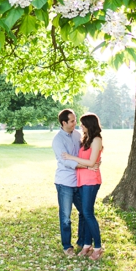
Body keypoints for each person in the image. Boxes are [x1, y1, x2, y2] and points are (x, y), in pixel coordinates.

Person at [62, 112, 104, 260]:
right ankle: (87, 245)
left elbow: (92, 162)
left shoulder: (96, 140)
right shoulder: (86, 139)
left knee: (87, 214)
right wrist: (84, 165)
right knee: (86, 214)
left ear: (89, 125)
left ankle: (98, 247)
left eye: (82, 124)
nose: (80, 126)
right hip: (82, 181)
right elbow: (89, 161)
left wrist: (71, 157)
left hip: (91, 181)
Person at [52, 108, 88, 257]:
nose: (75, 123)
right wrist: (86, 165)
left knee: (84, 213)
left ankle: (81, 241)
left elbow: (83, 153)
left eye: (75, 120)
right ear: (64, 122)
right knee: (66, 217)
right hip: (65, 182)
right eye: (72, 121)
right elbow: (65, 160)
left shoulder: (78, 135)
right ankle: (67, 246)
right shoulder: (58, 140)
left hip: (79, 181)